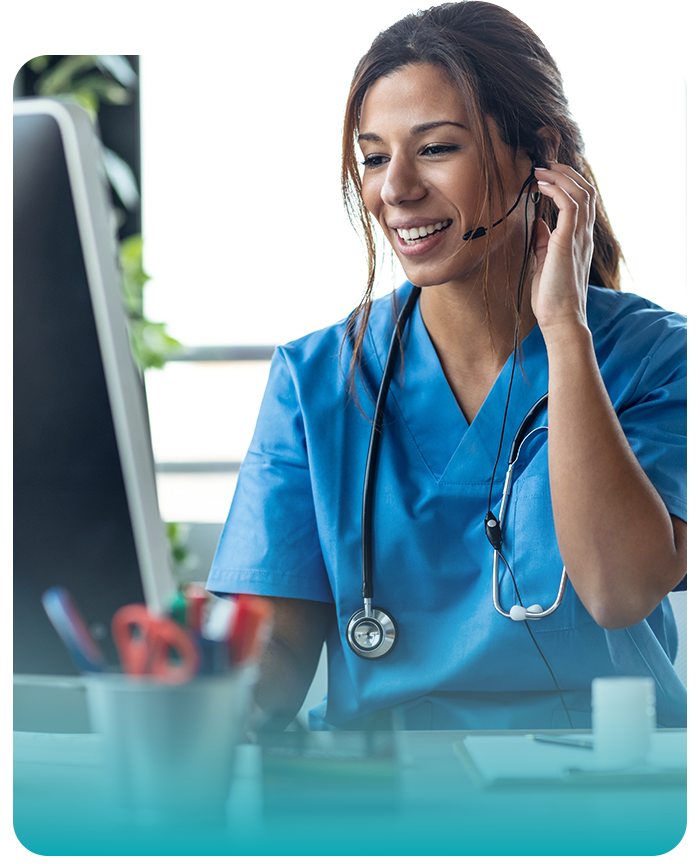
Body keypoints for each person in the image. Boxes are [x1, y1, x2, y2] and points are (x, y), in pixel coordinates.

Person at [207, 3, 687, 731]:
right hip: (387, 805)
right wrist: (204, 679)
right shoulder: (314, 381)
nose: (395, 188)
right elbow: (272, 657)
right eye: (373, 157)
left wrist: (564, 329)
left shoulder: (655, 359)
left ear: (538, 153)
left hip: (604, 799)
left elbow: (620, 591)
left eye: (435, 149)